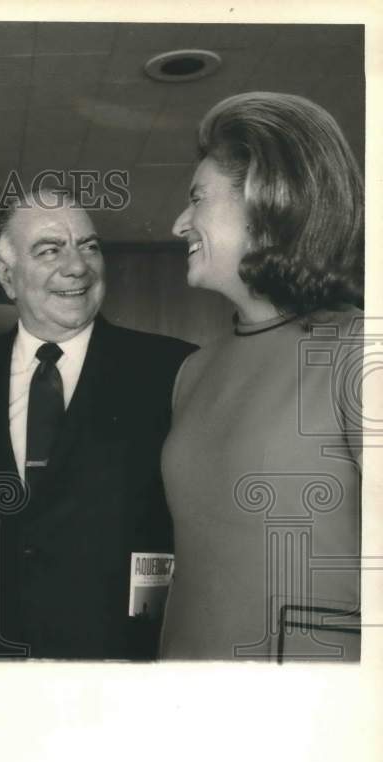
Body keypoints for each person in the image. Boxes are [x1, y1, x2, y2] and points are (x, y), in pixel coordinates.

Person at [0, 188, 196, 660]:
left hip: (114, 664)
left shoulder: (170, 370)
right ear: (6, 276)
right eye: (51, 250)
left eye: (88, 246)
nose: (77, 267)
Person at [160, 92, 364, 661]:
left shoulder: (357, 351)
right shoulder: (193, 371)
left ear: (266, 201)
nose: (180, 224)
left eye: (197, 199)